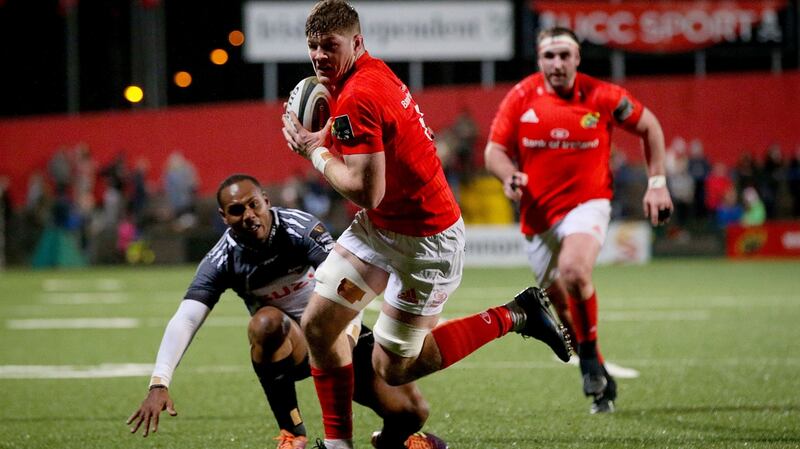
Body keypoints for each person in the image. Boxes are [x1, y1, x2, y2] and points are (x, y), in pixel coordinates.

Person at [281, 2, 572, 448]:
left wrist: (314, 152)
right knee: (319, 325)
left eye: (329, 45)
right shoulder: (362, 75)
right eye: (313, 46)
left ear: (357, 42)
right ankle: (338, 445)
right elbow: (396, 143)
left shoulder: (358, 92)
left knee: (392, 368)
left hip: (426, 243)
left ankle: (515, 314)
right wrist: (329, 139)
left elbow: (365, 191)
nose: (319, 55)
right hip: (381, 229)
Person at [126, 174, 448, 449]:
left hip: (336, 330)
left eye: (253, 204)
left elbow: (350, 286)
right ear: (224, 217)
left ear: (266, 201)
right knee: (265, 324)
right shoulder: (221, 259)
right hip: (291, 344)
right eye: (237, 210)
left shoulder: (300, 229)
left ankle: (392, 441)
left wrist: (346, 339)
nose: (249, 215)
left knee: (411, 411)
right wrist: (159, 382)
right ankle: (292, 433)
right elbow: (187, 317)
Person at [484, 27, 673, 414]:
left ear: (577, 59)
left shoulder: (602, 96)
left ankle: (586, 360)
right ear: (539, 60)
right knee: (561, 306)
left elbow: (649, 126)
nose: (557, 64)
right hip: (537, 218)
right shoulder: (521, 96)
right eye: (549, 56)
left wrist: (656, 183)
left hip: (588, 205)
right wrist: (508, 175)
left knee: (575, 271)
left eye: (564, 56)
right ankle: (599, 370)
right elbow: (495, 150)